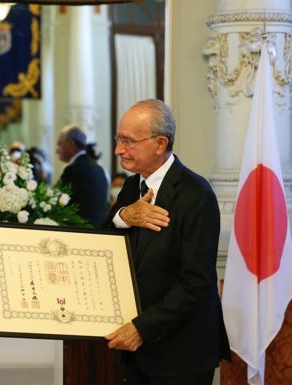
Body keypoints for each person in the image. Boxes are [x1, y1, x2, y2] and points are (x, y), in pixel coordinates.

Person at [102, 99, 230, 385]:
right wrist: (124, 215)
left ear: (160, 144)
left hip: (181, 354)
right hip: (138, 352)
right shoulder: (132, 186)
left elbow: (197, 281)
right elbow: (107, 239)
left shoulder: (196, 194)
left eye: (128, 141)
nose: (118, 149)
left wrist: (141, 329)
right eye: (118, 139)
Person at [55, 125, 109, 227]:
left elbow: (59, 203)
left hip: (80, 230)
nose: (57, 150)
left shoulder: (74, 169)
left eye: (60, 144)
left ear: (71, 144)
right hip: (99, 229)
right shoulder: (99, 168)